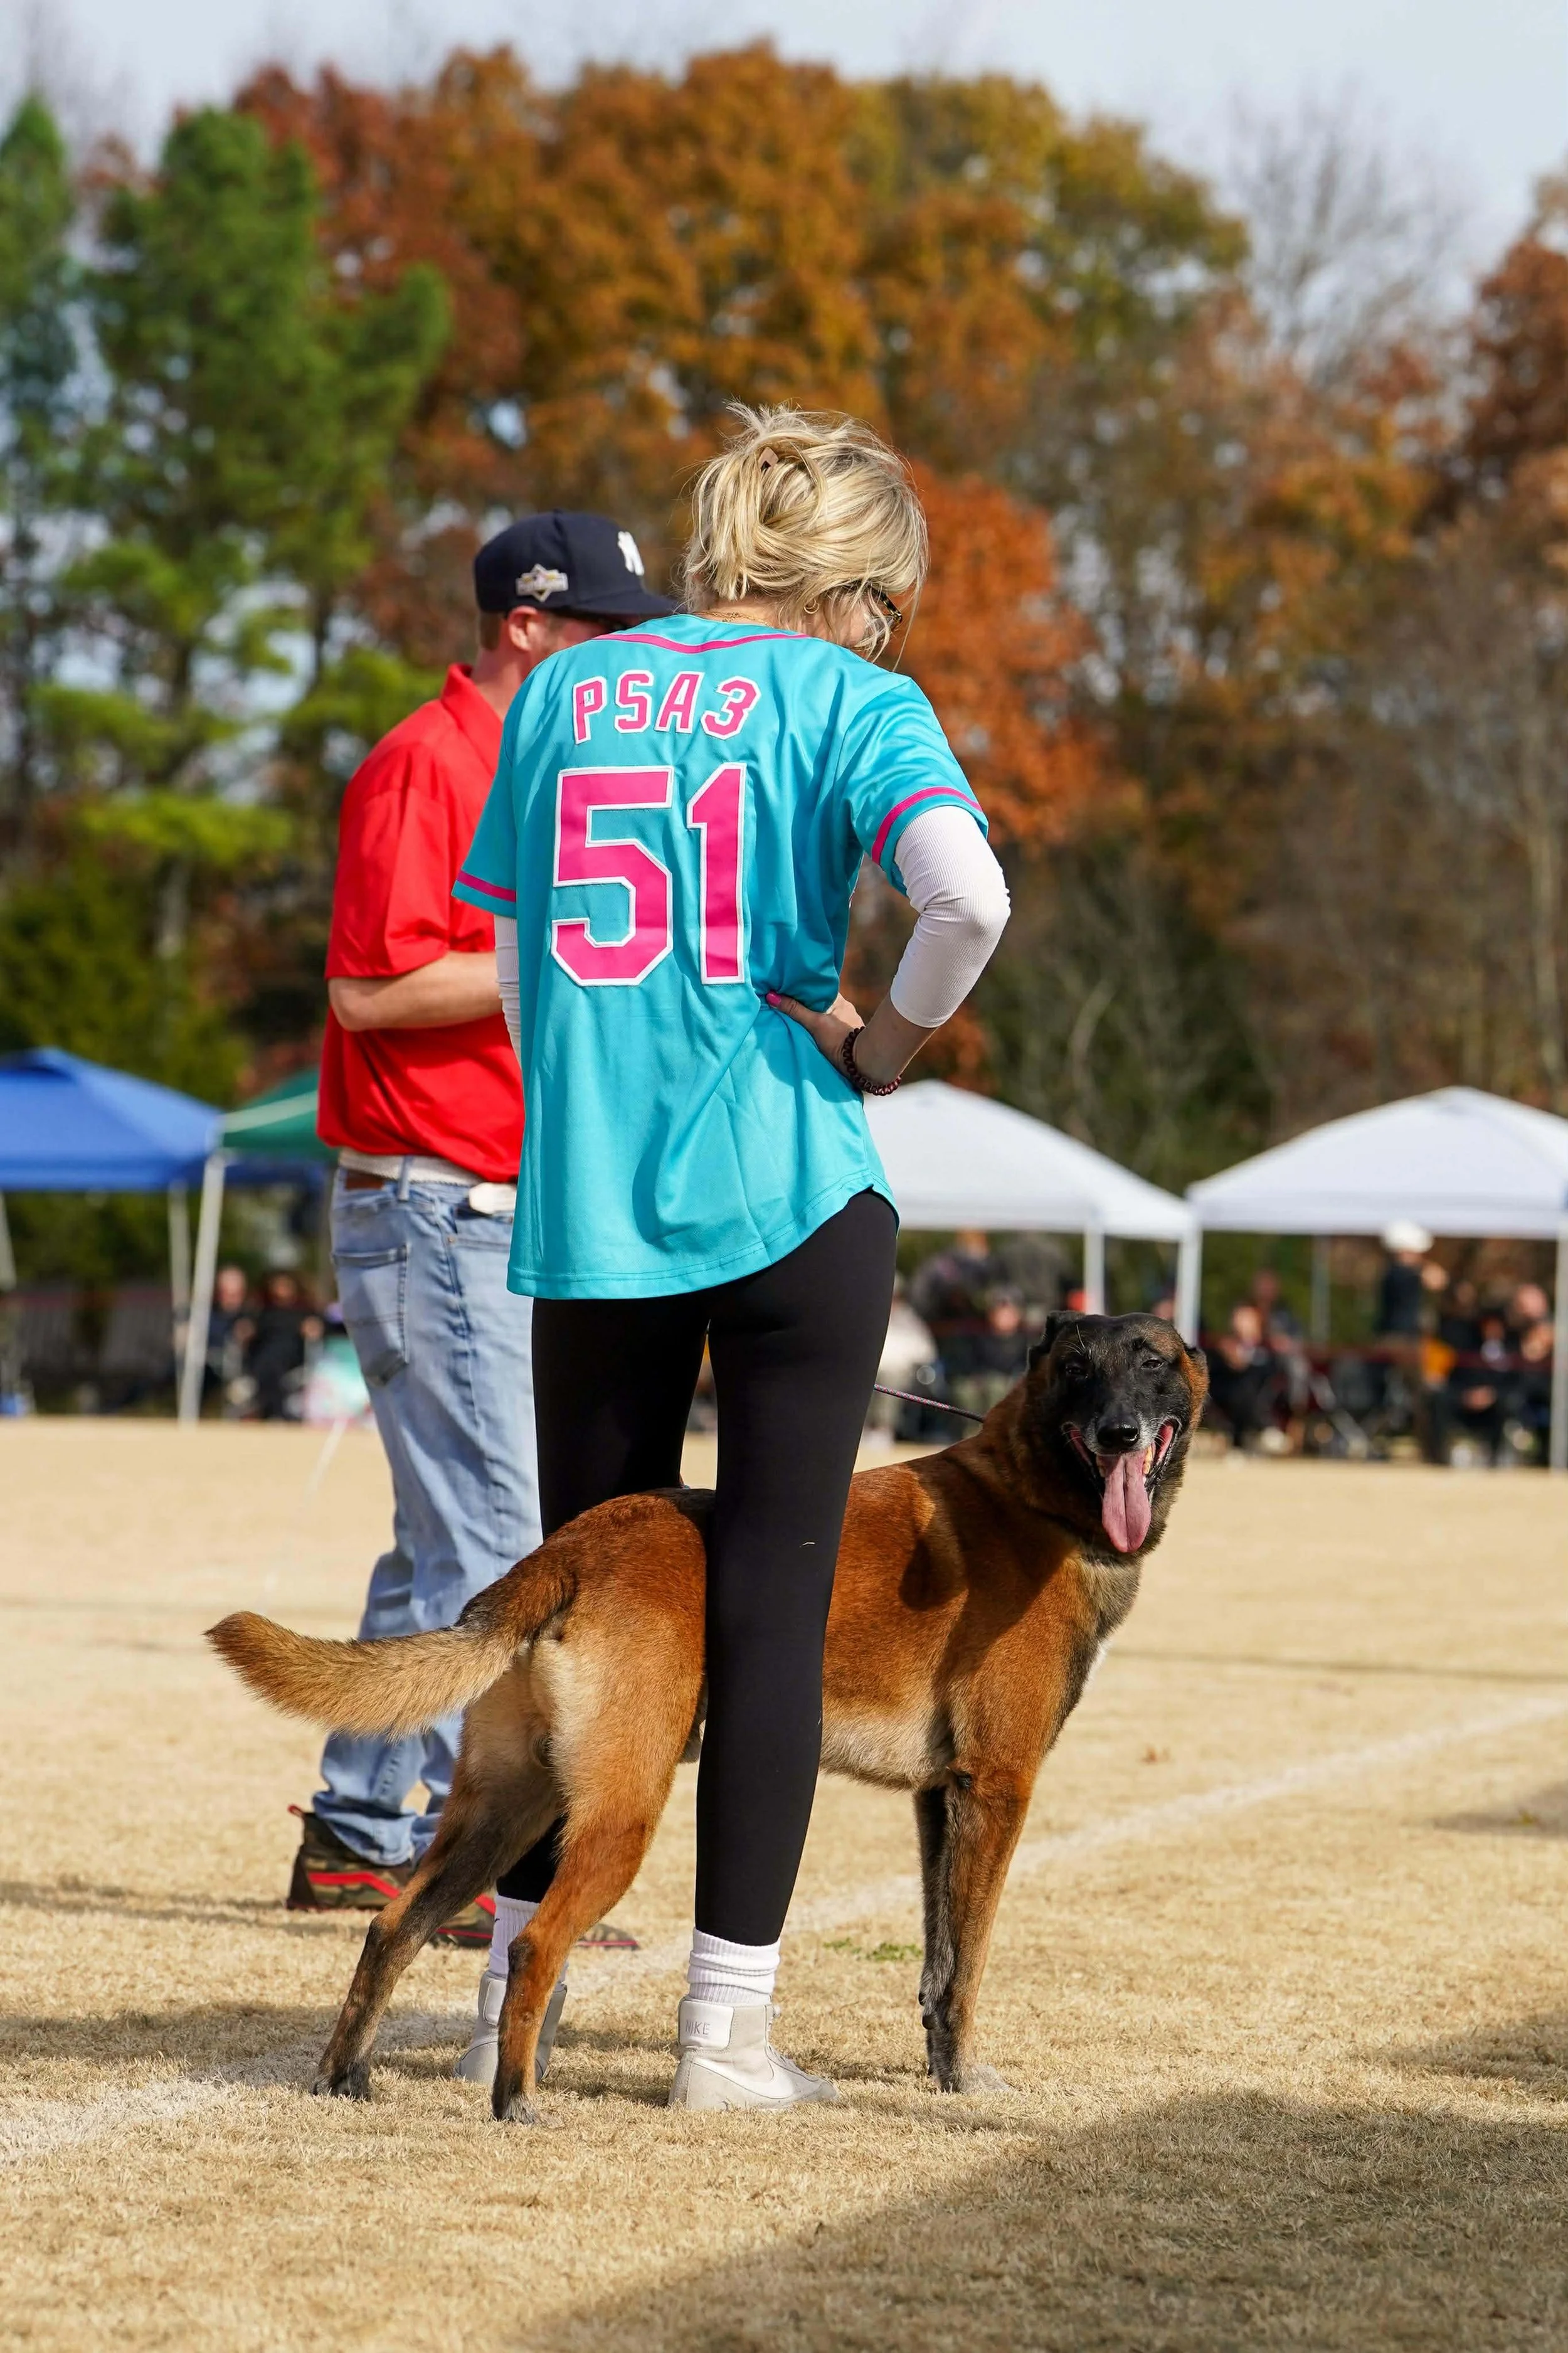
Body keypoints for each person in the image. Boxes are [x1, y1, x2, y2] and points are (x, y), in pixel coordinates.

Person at [452, 405, 1010, 2110]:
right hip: (788, 1180)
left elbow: (527, 935)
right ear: (857, 585)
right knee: (771, 1615)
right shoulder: (855, 697)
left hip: (594, 1193)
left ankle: (503, 2009)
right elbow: (965, 900)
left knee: (572, 1606)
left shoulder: (559, 691)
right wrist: (883, 1050)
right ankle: (722, 2037)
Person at [288, 509, 673, 1953]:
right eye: (606, 627)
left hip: (478, 1196)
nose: (629, 652)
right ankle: (467, 1869)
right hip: (427, 1192)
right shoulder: (426, 760)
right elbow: (369, 995)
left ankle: (358, 1828)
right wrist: (554, 943)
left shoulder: (537, 765)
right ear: (527, 623)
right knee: (498, 1541)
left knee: (439, 1535)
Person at [241, 1270, 322, 1421]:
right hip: (263, 1355)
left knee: (273, 1364)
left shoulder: (304, 1311)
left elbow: (324, 1327)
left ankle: (273, 1412)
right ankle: (275, 1412)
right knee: (269, 1365)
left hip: (291, 1356)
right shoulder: (261, 1312)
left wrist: (314, 1328)